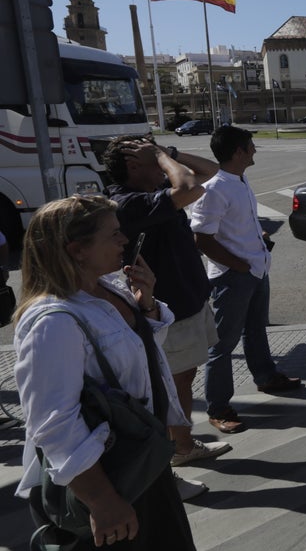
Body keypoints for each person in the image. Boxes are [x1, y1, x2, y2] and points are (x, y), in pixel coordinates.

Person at [13, 195, 196, 549]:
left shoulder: (107, 289)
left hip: (144, 459)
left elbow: (136, 355)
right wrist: (101, 500)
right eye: (113, 234)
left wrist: (147, 306)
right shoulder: (53, 322)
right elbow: (53, 422)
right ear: (77, 250)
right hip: (108, 475)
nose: (124, 240)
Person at [102, 136, 230, 495]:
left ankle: (183, 446)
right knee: (166, 388)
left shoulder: (155, 194)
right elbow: (191, 186)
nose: (164, 168)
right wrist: (161, 154)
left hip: (186, 305)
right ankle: (170, 460)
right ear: (133, 167)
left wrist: (168, 153)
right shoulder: (127, 203)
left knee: (182, 379)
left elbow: (211, 171)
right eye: (154, 162)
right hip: (164, 312)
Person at [190, 126, 301, 435]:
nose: (254, 149)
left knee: (255, 329)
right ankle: (218, 407)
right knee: (222, 345)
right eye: (251, 145)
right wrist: (238, 265)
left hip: (255, 269)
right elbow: (202, 238)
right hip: (233, 277)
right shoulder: (214, 189)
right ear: (238, 152)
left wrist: (258, 237)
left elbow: (235, 225)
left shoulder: (239, 179)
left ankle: (266, 376)